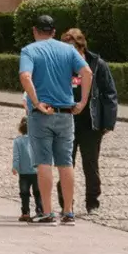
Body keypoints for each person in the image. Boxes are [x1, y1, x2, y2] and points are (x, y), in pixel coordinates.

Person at [17, 12, 90, 224]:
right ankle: (68, 211)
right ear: (54, 32)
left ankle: (47, 212)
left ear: (34, 31)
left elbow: (25, 76)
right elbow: (87, 72)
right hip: (66, 113)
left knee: (43, 163)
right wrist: (83, 102)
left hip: (42, 114)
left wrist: (36, 101)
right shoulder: (68, 50)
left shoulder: (29, 50)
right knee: (66, 163)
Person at [63, 27, 118, 214]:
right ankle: (66, 201)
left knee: (90, 164)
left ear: (81, 48)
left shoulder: (97, 64)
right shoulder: (62, 64)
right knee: (65, 163)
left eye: (73, 49)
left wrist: (108, 122)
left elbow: (110, 93)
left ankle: (92, 201)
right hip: (67, 121)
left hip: (90, 123)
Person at [11, 116, 44, 222]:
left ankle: (25, 212)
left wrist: (15, 167)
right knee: (38, 192)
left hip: (24, 173)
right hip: (36, 172)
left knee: (24, 193)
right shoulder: (37, 139)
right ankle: (40, 210)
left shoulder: (17, 141)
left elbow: (16, 156)